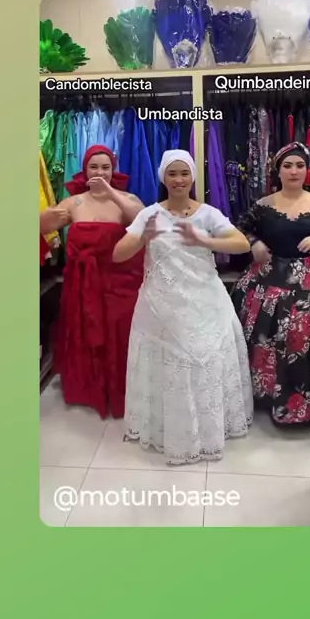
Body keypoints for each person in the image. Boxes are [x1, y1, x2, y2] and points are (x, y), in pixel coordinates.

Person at [112, 149, 254, 465]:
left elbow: (241, 244)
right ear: (163, 178)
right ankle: (172, 432)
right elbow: (118, 254)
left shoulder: (209, 214)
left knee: (205, 363)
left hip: (206, 303)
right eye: (172, 174)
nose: (179, 180)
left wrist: (205, 241)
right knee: (171, 369)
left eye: (184, 173)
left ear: (193, 177)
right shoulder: (149, 214)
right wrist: (142, 238)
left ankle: (208, 430)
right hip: (161, 308)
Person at [231, 142, 310, 433]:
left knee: (309, 327)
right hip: (269, 274)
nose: (294, 171)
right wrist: (253, 242)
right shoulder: (263, 205)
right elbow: (239, 229)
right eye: (287, 166)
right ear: (277, 171)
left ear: (307, 170)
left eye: (300, 165)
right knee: (261, 321)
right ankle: (266, 396)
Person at [40, 145, 145, 419]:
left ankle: (121, 388)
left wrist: (111, 192)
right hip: (82, 283)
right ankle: (87, 389)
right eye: (94, 167)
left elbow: (143, 221)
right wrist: (43, 219)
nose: (100, 172)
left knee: (119, 331)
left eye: (105, 167)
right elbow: (43, 227)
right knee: (84, 330)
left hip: (120, 282)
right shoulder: (73, 203)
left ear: (113, 170)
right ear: (85, 170)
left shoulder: (126, 199)